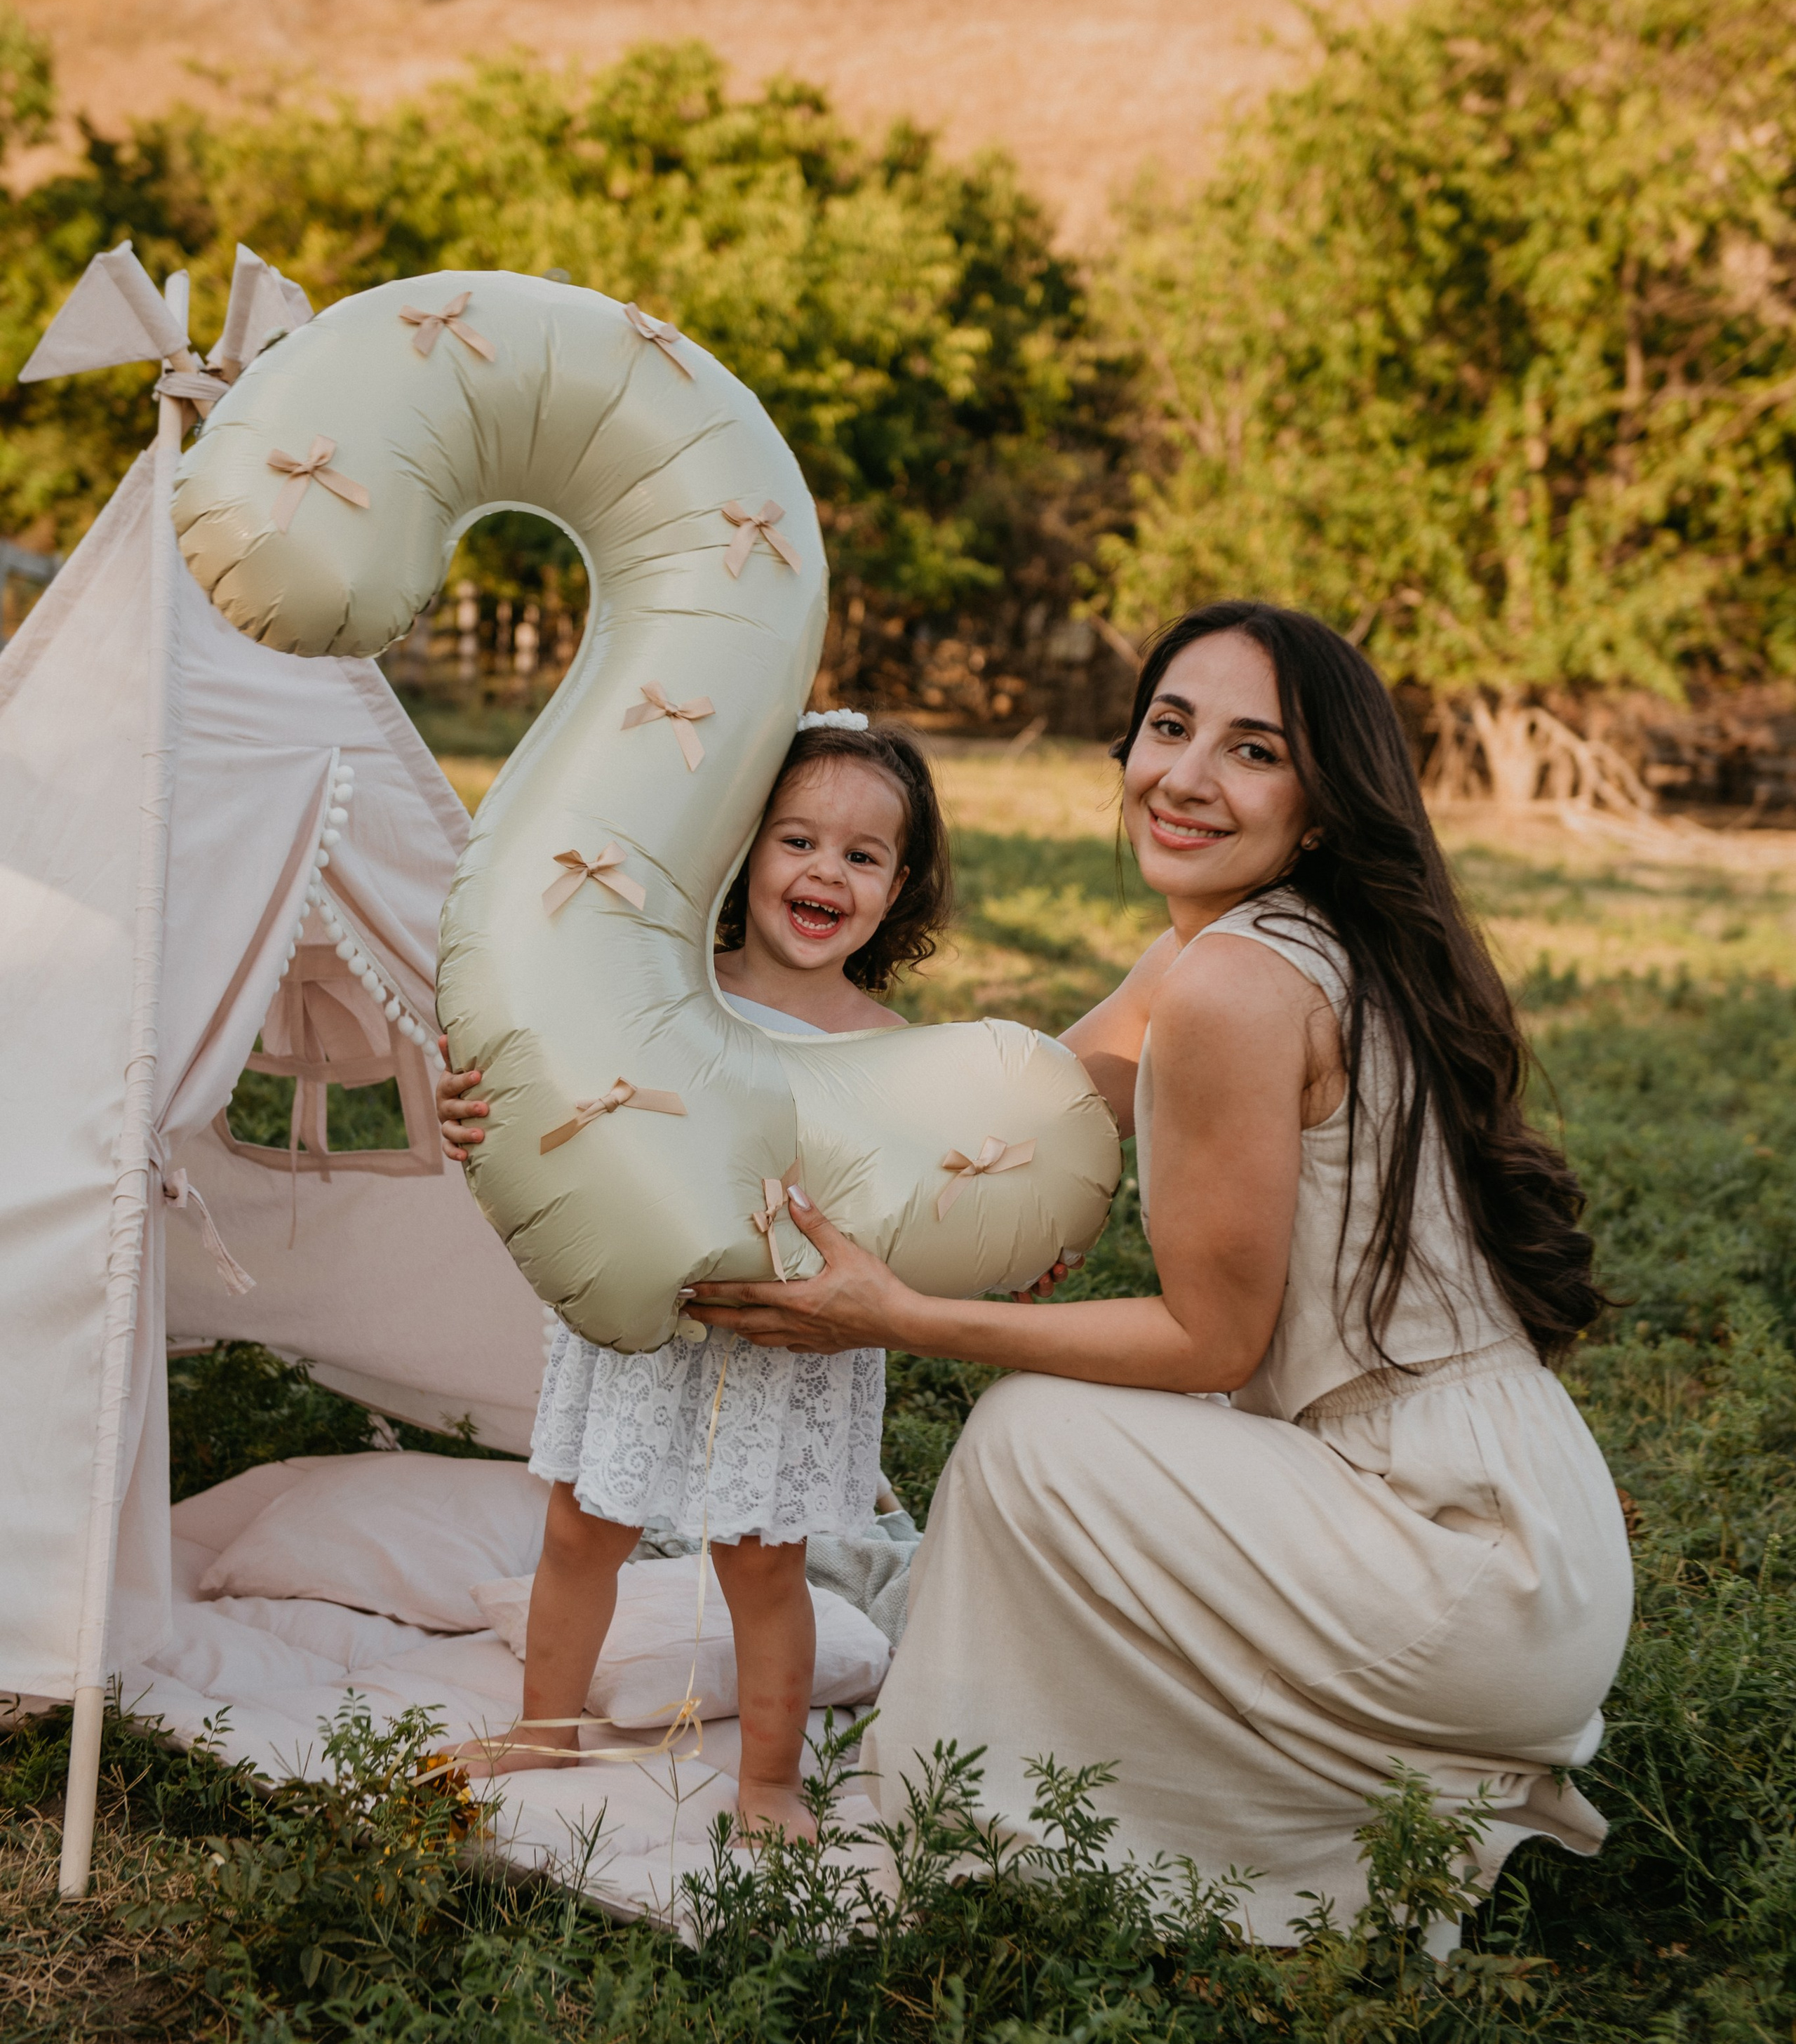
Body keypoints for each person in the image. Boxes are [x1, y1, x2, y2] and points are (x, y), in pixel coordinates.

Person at [688, 605, 1635, 1938]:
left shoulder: (1236, 987)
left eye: (1253, 750)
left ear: (1319, 805)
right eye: (1171, 727)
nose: (1186, 776)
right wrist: (621, 1104)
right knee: (1103, 1438)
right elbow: (983, 1135)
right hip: (1521, 1524)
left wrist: (903, 1317)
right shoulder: (1242, 945)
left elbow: (1211, 1344)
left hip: (1456, 1558)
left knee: (1032, 1437)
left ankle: (966, 1802)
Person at [436, 714, 951, 1838]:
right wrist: (478, 1117)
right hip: (650, 1315)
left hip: (782, 1335)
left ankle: (768, 1780)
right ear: (740, 848)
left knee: (762, 1568)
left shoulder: (884, 1043)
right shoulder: (670, 991)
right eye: (798, 842)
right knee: (579, 1531)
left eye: (862, 858)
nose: (827, 872)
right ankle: (544, 1731)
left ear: (897, 886)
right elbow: (566, 1103)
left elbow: (908, 1203)